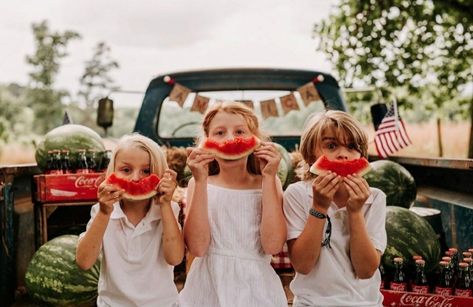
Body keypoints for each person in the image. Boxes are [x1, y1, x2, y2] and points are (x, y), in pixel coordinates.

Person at [179, 101, 287, 307]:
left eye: (240, 131)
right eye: (219, 133)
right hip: (207, 287)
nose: (230, 138)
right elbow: (198, 248)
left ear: (256, 140)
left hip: (257, 288)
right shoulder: (198, 184)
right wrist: (200, 181)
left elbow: (272, 245)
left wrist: (269, 177)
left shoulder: (270, 183)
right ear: (206, 141)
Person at [284, 110, 387, 306]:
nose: (343, 154)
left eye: (351, 147)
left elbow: (365, 270)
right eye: (331, 146)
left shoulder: (375, 198)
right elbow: (303, 265)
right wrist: (319, 207)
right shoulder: (297, 194)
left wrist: (355, 212)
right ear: (309, 156)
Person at [76, 133, 185, 307]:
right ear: (113, 173)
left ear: (161, 175)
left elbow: (175, 258)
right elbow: (84, 261)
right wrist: (104, 213)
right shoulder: (103, 212)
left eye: (146, 171)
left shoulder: (168, 210)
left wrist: (165, 205)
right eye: (126, 170)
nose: (135, 178)